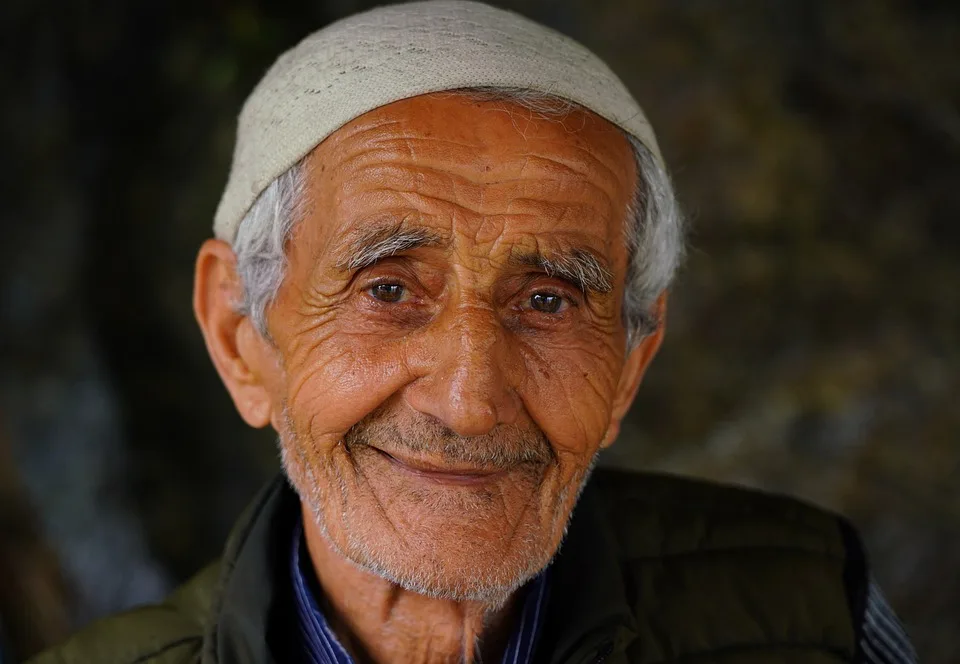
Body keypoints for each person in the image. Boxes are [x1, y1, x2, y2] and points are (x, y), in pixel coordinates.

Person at [30, 2, 918, 663]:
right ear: (241, 336)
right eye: (387, 289)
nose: (469, 401)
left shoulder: (810, 607)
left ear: (630, 363)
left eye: (548, 301)